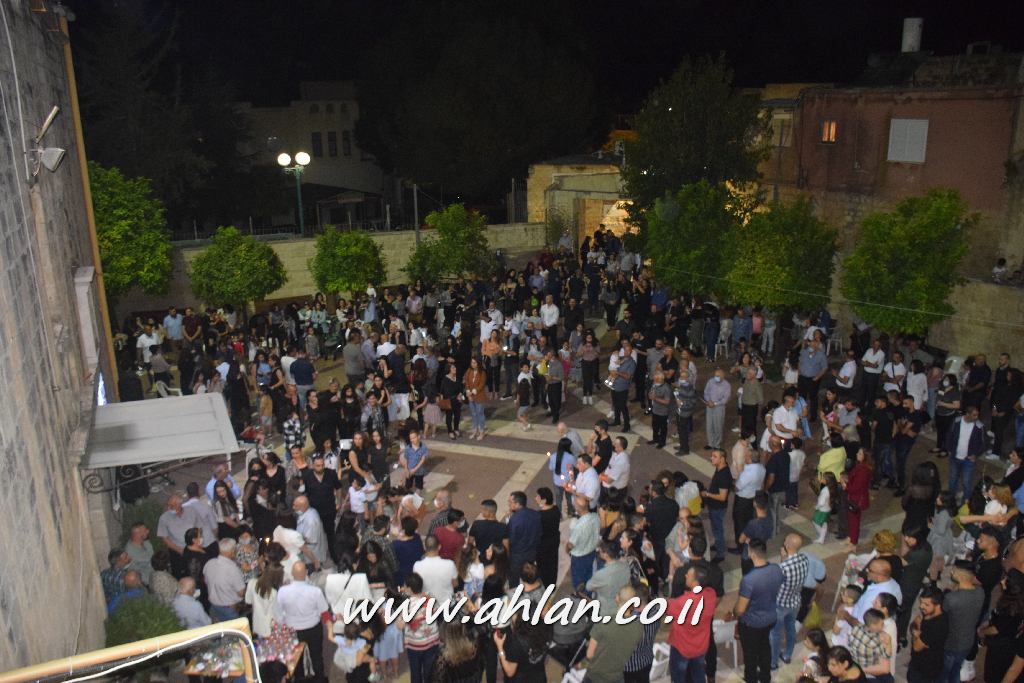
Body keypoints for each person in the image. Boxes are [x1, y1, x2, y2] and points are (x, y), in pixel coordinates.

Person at [731, 539, 784, 683]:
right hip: (770, 617)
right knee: (764, 647)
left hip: (752, 623)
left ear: (751, 553)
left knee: (750, 655)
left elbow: (740, 609)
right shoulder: (776, 569)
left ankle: (751, 679)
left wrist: (734, 612)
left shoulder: (749, 579)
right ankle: (766, 677)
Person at [667, 563, 718, 682]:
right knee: (698, 673)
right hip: (701, 646)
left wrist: (672, 584)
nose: (685, 575)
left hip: (682, 648)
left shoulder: (683, 602)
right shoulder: (711, 594)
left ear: (695, 582)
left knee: (679, 676)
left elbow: (666, 606)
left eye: (688, 575)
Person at [585, 585, 646, 683]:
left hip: (595, 676)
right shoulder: (639, 627)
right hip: (617, 677)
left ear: (617, 598)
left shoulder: (603, 622)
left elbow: (589, 655)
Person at [771, 534, 809, 669]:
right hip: (795, 601)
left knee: (774, 633)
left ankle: (773, 662)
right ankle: (787, 654)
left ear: (786, 545)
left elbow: (776, 585)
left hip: (780, 604)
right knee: (790, 628)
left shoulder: (782, 567)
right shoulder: (804, 559)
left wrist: (782, 559)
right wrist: (784, 558)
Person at [399, 572, 441, 683]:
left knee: (415, 671)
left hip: (415, 645)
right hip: (433, 641)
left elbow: (400, 625)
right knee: (430, 672)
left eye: (405, 586)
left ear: (409, 589)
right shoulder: (430, 599)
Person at [907, 586, 948, 683]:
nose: (921, 606)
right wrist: (916, 630)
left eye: (926, 604)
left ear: (937, 605)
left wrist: (916, 632)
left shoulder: (937, 626)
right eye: (921, 602)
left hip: (925, 670)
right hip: (918, 664)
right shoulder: (929, 613)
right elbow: (914, 624)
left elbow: (917, 647)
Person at [946, 405, 985, 502]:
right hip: (955, 457)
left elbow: (983, 443)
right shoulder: (957, 421)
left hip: (968, 460)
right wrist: (949, 449)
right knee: (953, 479)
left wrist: (976, 455)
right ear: (967, 414)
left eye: (977, 415)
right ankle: (950, 500)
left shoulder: (979, 426)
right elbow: (949, 435)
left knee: (967, 482)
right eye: (974, 415)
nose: (976, 417)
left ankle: (966, 502)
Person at [203, 537, 246, 622]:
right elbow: (241, 593)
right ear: (232, 552)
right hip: (229, 609)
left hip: (213, 607)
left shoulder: (209, 563)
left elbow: (205, 580)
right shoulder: (232, 569)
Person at [700, 449, 732, 563]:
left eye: (715, 456)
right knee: (715, 528)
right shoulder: (720, 468)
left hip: (718, 508)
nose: (711, 458)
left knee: (718, 531)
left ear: (722, 459)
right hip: (714, 506)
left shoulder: (724, 475)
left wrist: (707, 494)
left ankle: (720, 553)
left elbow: (722, 497)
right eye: (712, 456)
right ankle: (718, 546)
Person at [507, 490, 541, 585]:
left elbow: (511, 539)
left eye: (510, 502)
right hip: (532, 552)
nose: (508, 504)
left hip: (517, 556)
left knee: (514, 578)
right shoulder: (535, 514)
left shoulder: (514, 520)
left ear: (517, 504)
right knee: (529, 574)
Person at [567, 495, 600, 588]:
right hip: (592, 552)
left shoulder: (578, 525)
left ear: (577, 508)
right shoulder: (595, 517)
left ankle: (580, 593)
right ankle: (588, 592)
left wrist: (567, 549)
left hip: (579, 557)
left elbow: (570, 544)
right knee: (589, 574)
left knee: (578, 580)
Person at [535, 487, 561, 587]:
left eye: (538, 497)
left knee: (543, 565)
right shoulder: (555, 509)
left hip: (543, 544)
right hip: (554, 540)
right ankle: (551, 584)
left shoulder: (539, 516)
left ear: (544, 500)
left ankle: (544, 584)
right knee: (552, 563)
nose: (535, 498)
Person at [610, 339, 635, 432]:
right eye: (624, 350)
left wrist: (618, 373)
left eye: (628, 350)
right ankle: (617, 421)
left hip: (622, 387)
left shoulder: (632, 363)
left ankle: (627, 425)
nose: (626, 352)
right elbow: (612, 366)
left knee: (622, 406)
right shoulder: (620, 358)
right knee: (616, 404)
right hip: (614, 385)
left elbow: (628, 376)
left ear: (631, 351)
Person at [703, 368, 731, 450]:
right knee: (709, 425)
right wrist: (708, 400)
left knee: (718, 426)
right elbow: (706, 392)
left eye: (718, 376)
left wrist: (715, 403)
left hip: (719, 407)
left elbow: (725, 399)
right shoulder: (710, 381)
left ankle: (717, 444)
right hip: (709, 405)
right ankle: (710, 443)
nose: (716, 377)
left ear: (723, 376)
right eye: (715, 375)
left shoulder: (727, 385)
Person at [674, 369, 699, 456]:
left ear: (687, 378)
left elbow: (693, 402)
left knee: (683, 432)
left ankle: (685, 449)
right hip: (679, 412)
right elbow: (677, 394)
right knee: (680, 431)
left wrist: (682, 403)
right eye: (681, 377)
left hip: (685, 413)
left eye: (684, 377)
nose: (681, 378)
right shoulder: (680, 386)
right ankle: (682, 446)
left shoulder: (690, 389)